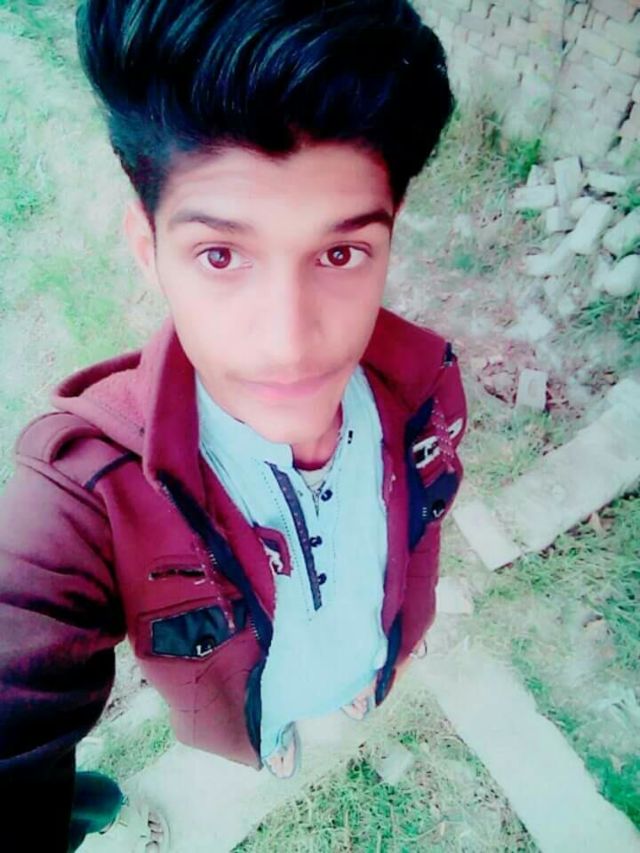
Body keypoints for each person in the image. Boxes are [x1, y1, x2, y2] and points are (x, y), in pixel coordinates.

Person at [0, 0, 467, 849]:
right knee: (269, 718)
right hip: (250, 702)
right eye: (221, 255)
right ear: (148, 249)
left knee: (360, 672)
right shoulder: (90, 491)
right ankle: (271, 732)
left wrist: (394, 645)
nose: (288, 341)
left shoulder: (423, 385)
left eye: (341, 253)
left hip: (370, 647)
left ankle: (358, 683)